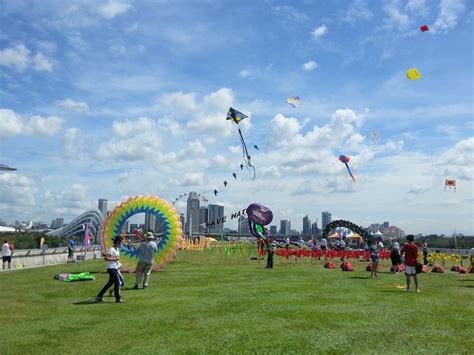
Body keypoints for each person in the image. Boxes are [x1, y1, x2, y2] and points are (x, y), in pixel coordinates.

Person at [96, 236, 124, 303]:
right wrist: (114, 259)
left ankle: (99, 296)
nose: (121, 244)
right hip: (111, 268)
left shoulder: (117, 249)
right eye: (121, 243)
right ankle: (118, 299)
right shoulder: (112, 249)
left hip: (115, 268)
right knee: (117, 283)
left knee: (110, 283)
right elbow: (106, 258)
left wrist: (118, 264)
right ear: (117, 242)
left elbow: (116, 258)